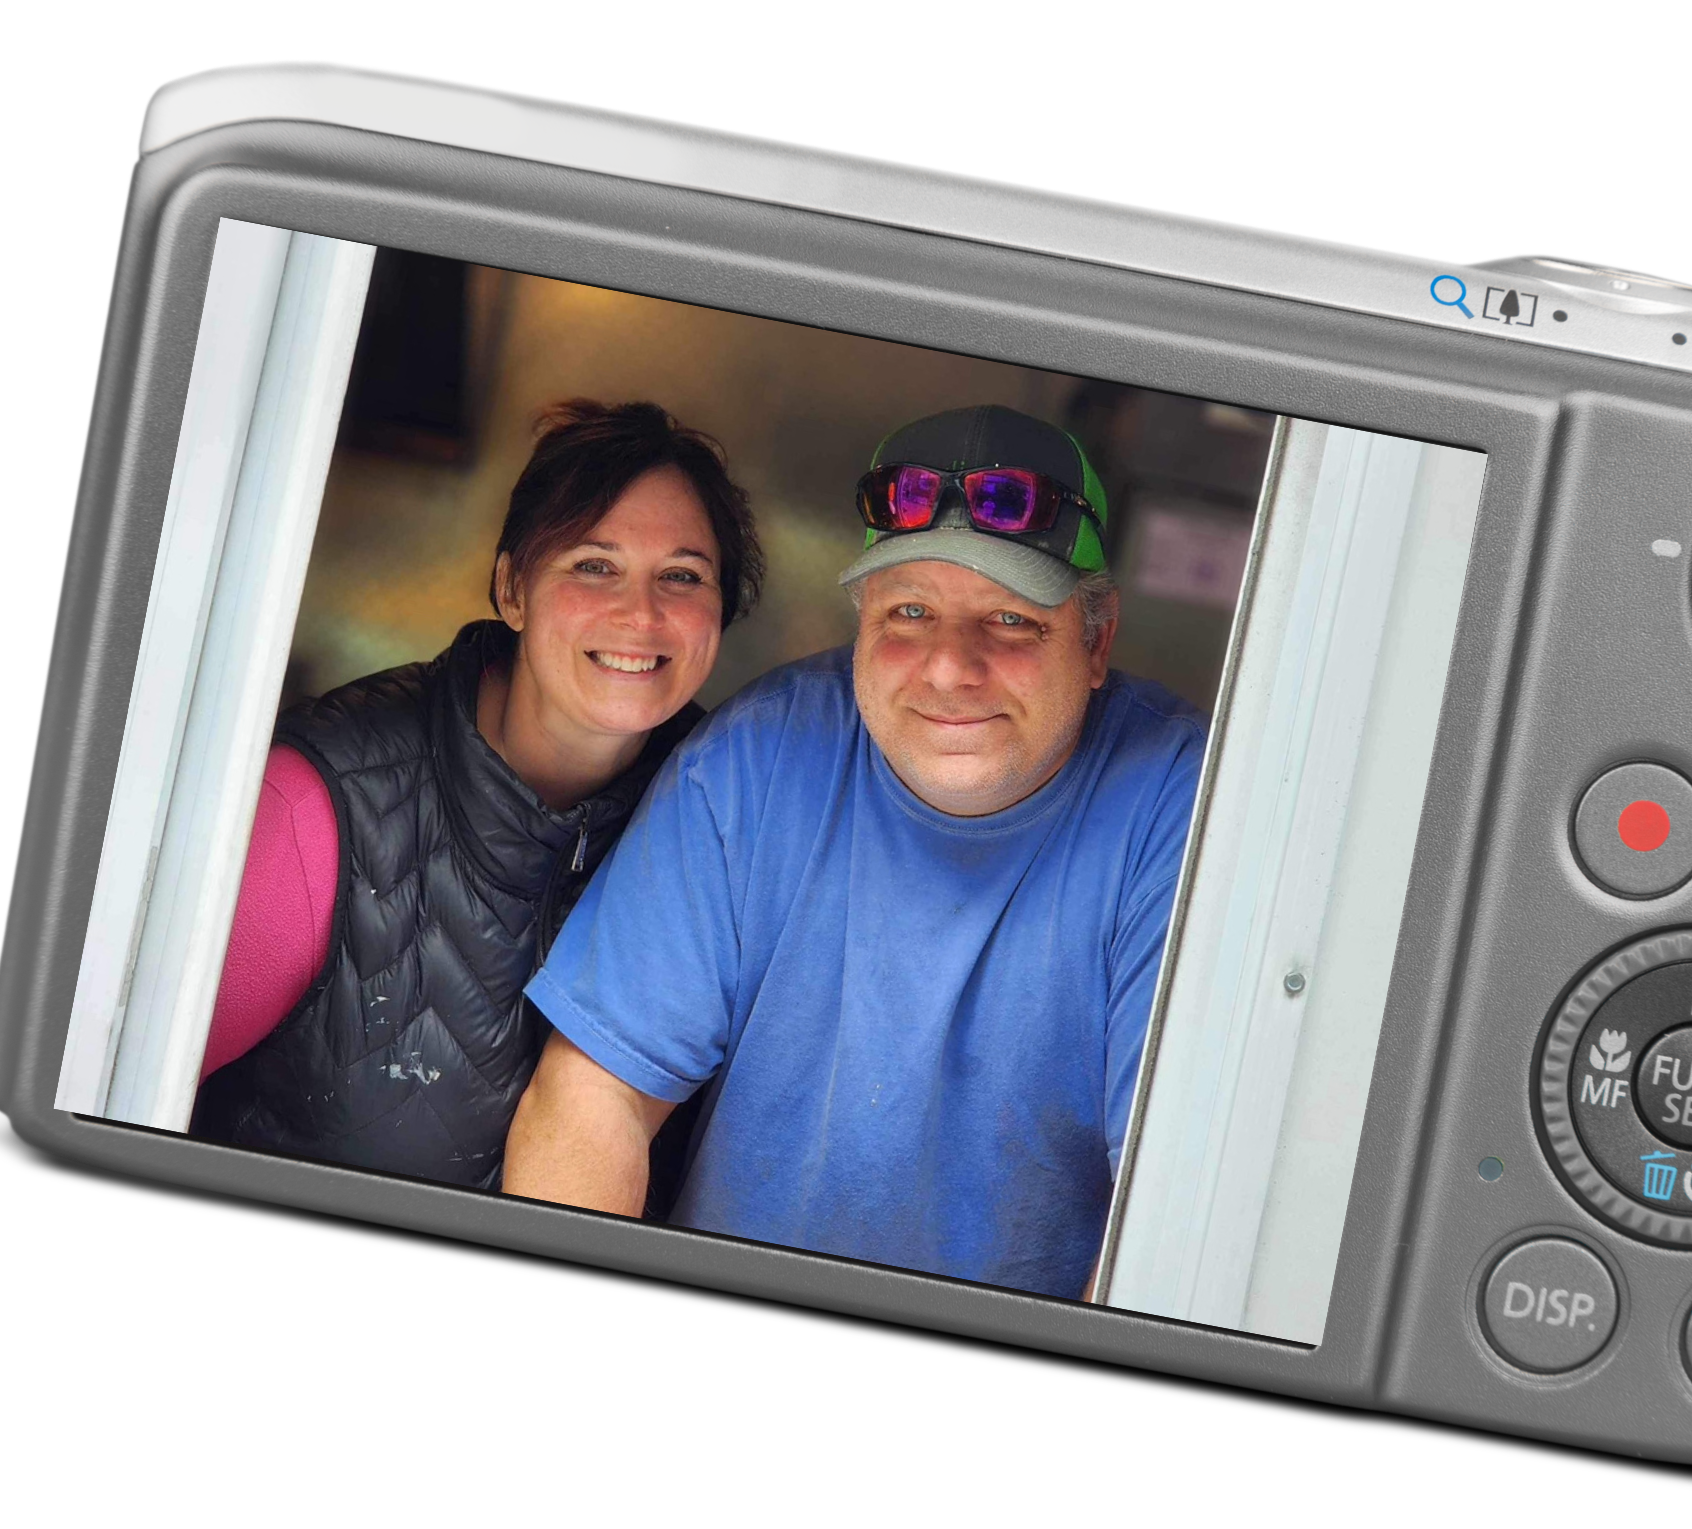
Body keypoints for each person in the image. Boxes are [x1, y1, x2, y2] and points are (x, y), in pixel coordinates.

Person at [504, 404, 1207, 1299]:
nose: (950, 668)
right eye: (909, 611)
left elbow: (1178, 1198)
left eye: (1010, 622)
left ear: (1095, 640)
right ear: (862, 622)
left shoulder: (1180, 801)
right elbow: (592, 1100)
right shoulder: (758, 757)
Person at [190, 400, 763, 1190]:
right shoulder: (318, 807)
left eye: (682, 575)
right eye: (594, 565)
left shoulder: (733, 818)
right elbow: (116, 1087)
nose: (642, 613)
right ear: (513, 589)